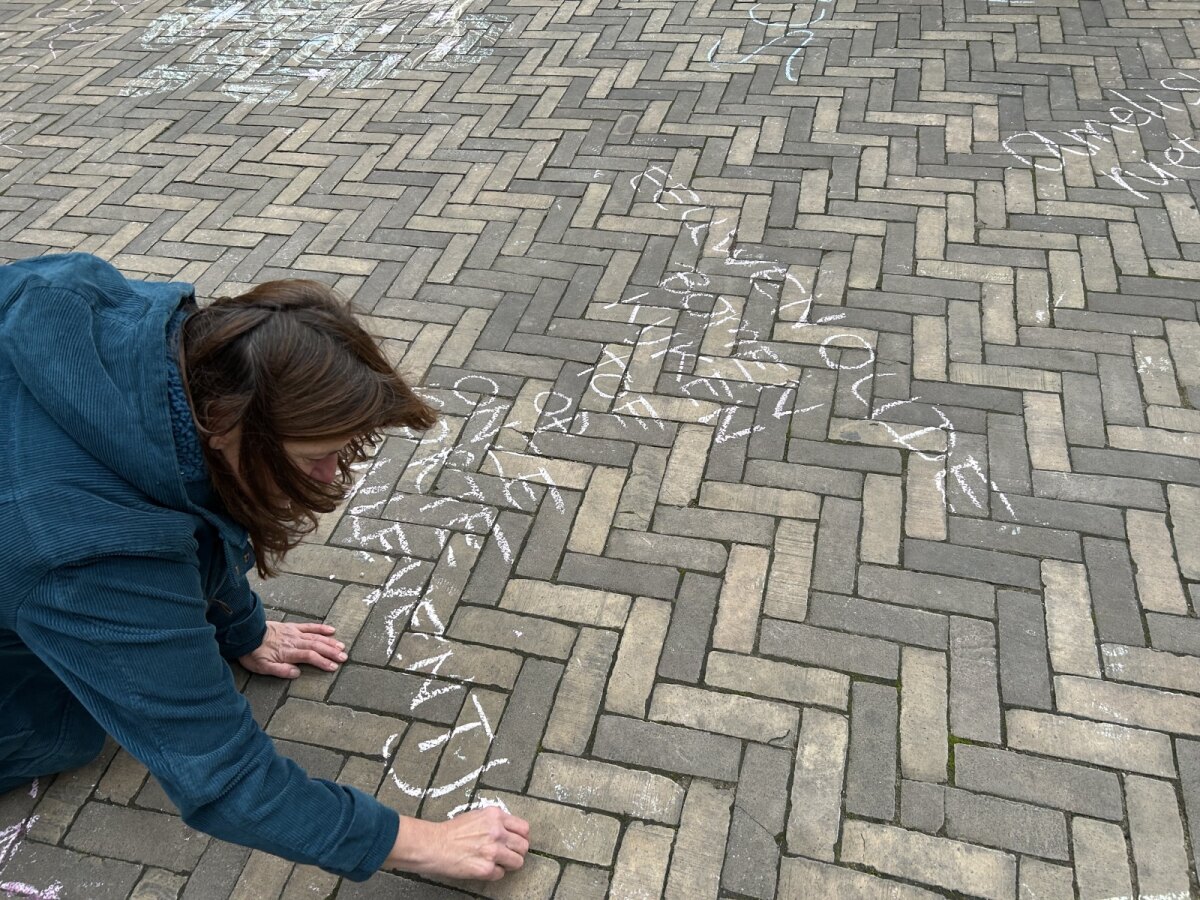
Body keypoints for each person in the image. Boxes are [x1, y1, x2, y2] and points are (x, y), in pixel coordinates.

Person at [0, 253, 530, 883]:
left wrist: (239, 626)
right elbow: (225, 780)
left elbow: (180, 487)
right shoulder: (87, 553)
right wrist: (415, 842)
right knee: (61, 728)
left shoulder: (98, 318)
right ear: (224, 421)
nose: (332, 477)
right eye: (315, 456)